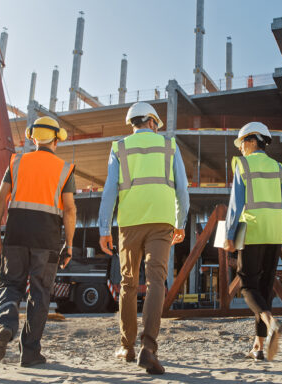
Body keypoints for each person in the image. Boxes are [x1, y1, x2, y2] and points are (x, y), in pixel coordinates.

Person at [98, 102, 189, 374]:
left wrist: (104, 228)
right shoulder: (170, 146)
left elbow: (109, 190)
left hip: (129, 223)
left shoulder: (119, 147)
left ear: (133, 123)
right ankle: (148, 348)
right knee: (156, 281)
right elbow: (182, 189)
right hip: (162, 222)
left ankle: (126, 347)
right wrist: (180, 222)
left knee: (127, 282)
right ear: (152, 122)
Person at [0, 116, 77, 367]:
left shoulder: (17, 162)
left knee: (10, 284)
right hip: (46, 239)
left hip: (16, 234)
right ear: (56, 140)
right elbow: (69, 210)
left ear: (32, 137)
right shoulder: (65, 169)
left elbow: (0, 198)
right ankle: (30, 353)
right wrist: (69, 244)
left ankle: (5, 324)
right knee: (39, 293)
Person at [223, 122, 282, 361]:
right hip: (274, 234)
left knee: (247, 286)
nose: (241, 148)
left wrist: (229, 235)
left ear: (253, 140)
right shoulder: (278, 168)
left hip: (252, 232)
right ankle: (259, 347)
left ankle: (271, 322)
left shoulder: (242, 164)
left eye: (242, 142)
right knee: (264, 291)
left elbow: (236, 204)